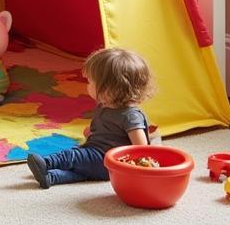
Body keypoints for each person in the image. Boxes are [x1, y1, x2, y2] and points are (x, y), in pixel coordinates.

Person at [27, 46, 153, 188]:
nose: (87, 85)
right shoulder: (105, 105)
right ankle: (51, 177)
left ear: (110, 88)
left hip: (109, 161)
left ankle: (47, 162)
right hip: (98, 158)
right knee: (81, 171)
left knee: (73, 157)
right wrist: (92, 134)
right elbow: (108, 131)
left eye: (90, 82)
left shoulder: (130, 116)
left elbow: (142, 147)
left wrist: (133, 169)